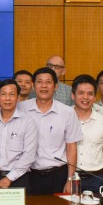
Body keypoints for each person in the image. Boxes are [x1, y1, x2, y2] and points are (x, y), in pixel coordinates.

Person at [18, 67, 82, 195]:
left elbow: (71, 147)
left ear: (56, 86)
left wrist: (70, 179)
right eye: (40, 82)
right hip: (28, 175)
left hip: (58, 175)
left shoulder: (67, 112)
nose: (44, 86)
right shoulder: (20, 109)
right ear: (33, 86)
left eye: (48, 82)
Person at [71, 75, 103, 193]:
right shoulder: (64, 118)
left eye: (90, 94)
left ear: (95, 97)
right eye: (81, 93)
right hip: (70, 177)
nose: (85, 97)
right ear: (73, 95)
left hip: (96, 179)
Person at [0, 79, 37, 189]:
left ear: (18, 97)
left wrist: (9, 178)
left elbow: (29, 155)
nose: (7, 98)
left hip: (18, 178)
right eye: (3, 94)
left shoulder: (27, 122)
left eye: (12, 94)